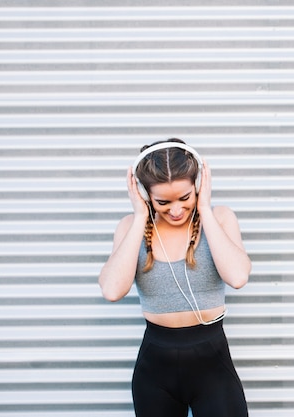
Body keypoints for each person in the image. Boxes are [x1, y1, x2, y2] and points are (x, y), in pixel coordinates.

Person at [98, 138, 251, 417]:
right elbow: (111, 290)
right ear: (145, 194)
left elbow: (238, 276)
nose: (176, 210)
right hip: (155, 370)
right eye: (162, 202)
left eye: (185, 197)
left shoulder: (221, 217)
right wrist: (140, 215)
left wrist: (204, 207)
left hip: (212, 364)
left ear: (199, 185)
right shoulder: (130, 227)